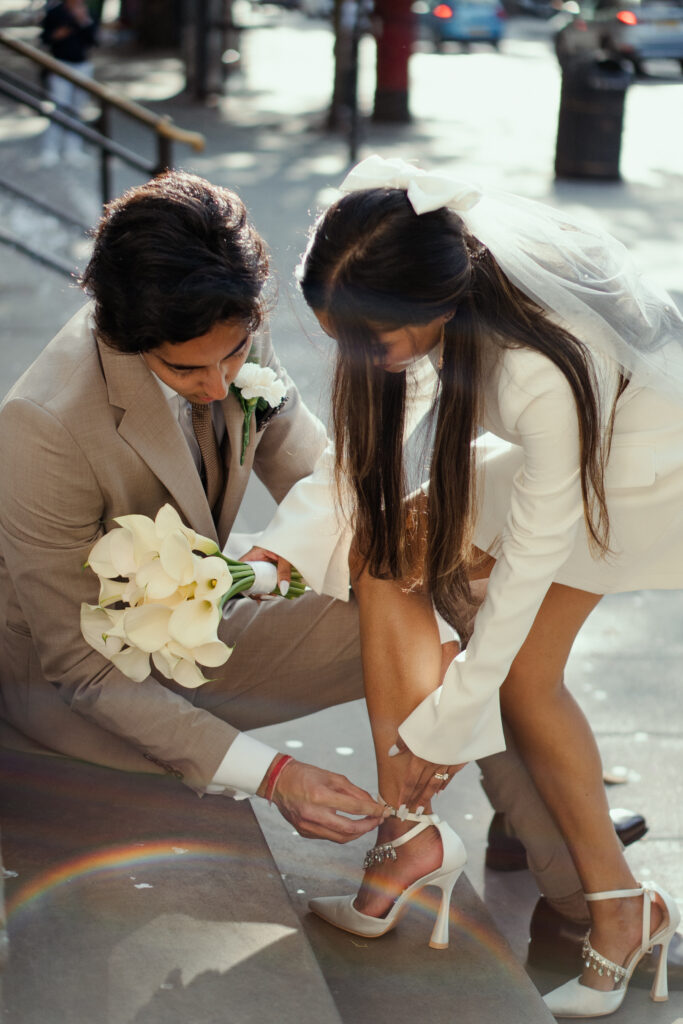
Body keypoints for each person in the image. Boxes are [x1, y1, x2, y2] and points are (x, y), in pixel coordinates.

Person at [259, 154, 683, 1017]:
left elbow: (533, 551)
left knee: (523, 676)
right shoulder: (394, 263)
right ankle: (407, 838)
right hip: (569, 460)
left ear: (435, 312)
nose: (352, 357)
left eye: (366, 340)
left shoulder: (533, 369)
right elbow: (357, 464)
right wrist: (271, 557)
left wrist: (446, 724)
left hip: (648, 473)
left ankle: (618, 909)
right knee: (389, 551)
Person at [40, 0, 97, 166]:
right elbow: (45, 38)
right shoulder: (55, 12)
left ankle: (73, 149)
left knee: (77, 109)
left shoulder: (87, 13)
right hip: (60, 64)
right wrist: (57, 34)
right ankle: (50, 149)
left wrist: (83, 20)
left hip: (82, 65)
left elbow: (93, 40)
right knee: (59, 106)